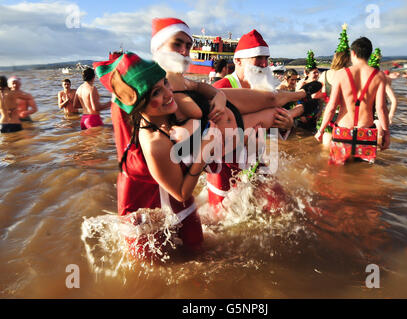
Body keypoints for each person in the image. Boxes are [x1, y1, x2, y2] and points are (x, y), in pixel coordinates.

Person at [150, 19, 321, 211]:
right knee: (222, 224)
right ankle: (304, 100)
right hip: (225, 170)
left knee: (283, 207)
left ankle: (304, 101)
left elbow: (271, 125)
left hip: (255, 161)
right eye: (258, 58)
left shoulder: (262, 86)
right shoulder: (222, 86)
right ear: (238, 60)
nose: (264, 64)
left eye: (267, 58)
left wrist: (288, 123)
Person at [94, 53, 217, 259]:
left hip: (170, 193)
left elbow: (199, 108)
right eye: (156, 93)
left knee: (200, 255)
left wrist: (216, 101)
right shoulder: (153, 142)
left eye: (166, 83)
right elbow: (181, 193)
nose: (169, 93)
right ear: (140, 104)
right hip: (143, 211)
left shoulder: (168, 106)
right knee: (153, 276)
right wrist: (205, 149)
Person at [315, 37, 390, 165]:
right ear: (369, 54)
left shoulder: (341, 74)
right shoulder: (379, 76)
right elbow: (381, 109)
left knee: (337, 173)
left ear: (353, 53)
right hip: (366, 131)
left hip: (343, 130)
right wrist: (386, 133)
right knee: (365, 176)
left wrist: (321, 130)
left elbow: (332, 107)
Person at [316, 24, 352, 146]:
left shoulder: (325, 75)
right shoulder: (352, 75)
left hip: (328, 117)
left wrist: (326, 95)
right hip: (347, 118)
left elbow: (315, 95)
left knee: (326, 151)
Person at [368, 48, 398, 124]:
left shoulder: (365, 82)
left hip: (372, 113)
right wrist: (390, 115)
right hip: (379, 111)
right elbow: (394, 100)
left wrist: (390, 116)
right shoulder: (383, 82)